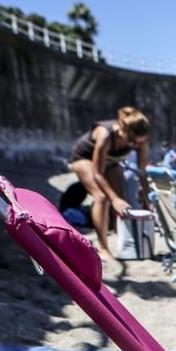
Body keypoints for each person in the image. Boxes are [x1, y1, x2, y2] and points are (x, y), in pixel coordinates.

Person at [69, 106, 150, 260]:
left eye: (139, 143)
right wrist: (114, 199)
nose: (135, 145)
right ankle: (104, 248)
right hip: (84, 159)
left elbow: (142, 170)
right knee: (102, 197)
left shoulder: (141, 138)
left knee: (122, 199)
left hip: (111, 162)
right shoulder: (105, 134)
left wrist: (146, 195)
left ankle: (117, 232)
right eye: (132, 142)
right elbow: (97, 173)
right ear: (124, 132)